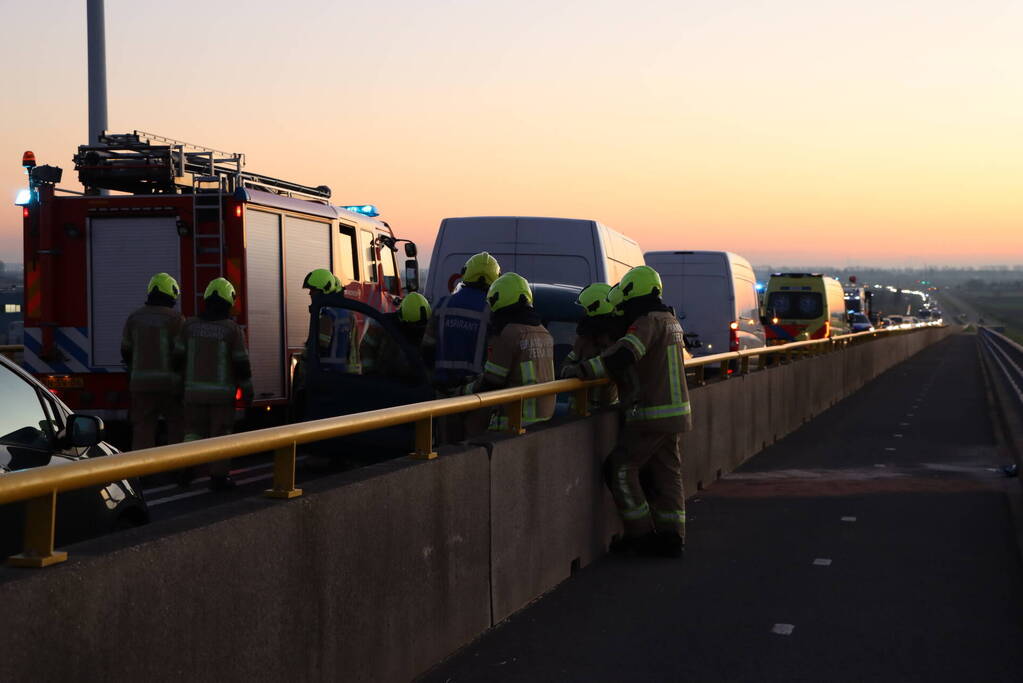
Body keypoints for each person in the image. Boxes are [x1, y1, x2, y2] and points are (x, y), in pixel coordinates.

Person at [564, 265, 692, 558]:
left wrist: (583, 369)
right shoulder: (670, 320)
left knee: (620, 468)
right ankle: (672, 537)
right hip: (675, 413)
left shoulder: (647, 321)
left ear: (634, 295)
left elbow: (624, 354)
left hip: (651, 413)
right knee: (666, 473)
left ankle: (640, 535)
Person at [175, 278, 253, 490]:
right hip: (222, 396)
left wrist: (178, 387)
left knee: (192, 433)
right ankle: (219, 478)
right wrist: (247, 391)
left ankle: (187, 470)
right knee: (221, 435)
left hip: (193, 394)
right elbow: (241, 364)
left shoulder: (189, 326)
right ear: (229, 302)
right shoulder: (232, 330)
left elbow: (177, 358)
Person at [422, 252, 500, 440]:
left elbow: (427, 347)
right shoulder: (493, 312)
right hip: (477, 394)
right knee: (473, 447)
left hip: (444, 392)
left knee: (447, 447)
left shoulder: (444, 304)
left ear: (466, 273)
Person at [464, 272, 555, 433]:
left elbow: (491, 381)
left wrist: (464, 391)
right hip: (543, 422)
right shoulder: (544, 333)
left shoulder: (509, 333)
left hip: (513, 423)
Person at [120, 273, 185, 450]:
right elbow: (182, 354)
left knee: (142, 429)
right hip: (169, 386)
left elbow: (125, 351)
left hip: (141, 386)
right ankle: (177, 463)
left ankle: (143, 466)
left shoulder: (134, 318)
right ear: (171, 293)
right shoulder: (176, 319)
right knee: (176, 427)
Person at [560, 282, 618, 409]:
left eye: (585, 310)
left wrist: (578, 370)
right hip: (579, 412)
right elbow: (565, 369)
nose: (583, 315)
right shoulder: (583, 340)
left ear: (595, 308)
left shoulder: (615, 341)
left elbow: (605, 366)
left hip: (604, 414)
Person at [360, 292, 431, 381]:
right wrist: (370, 374)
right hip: (384, 380)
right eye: (414, 326)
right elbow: (366, 348)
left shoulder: (429, 329)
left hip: (414, 382)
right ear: (402, 319)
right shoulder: (382, 325)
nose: (418, 331)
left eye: (423, 326)